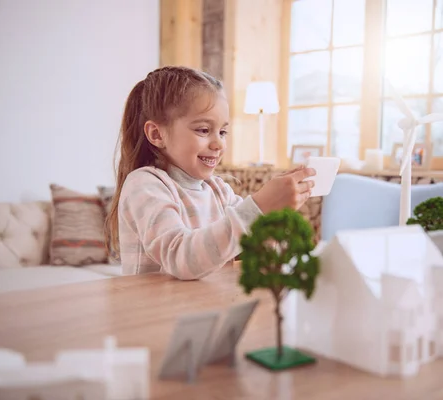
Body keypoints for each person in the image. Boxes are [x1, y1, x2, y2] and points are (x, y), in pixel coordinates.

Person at [105, 66, 316, 280]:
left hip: (207, 306)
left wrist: (273, 218)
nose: (219, 144)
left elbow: (256, 248)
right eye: (204, 130)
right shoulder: (144, 185)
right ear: (157, 134)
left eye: (223, 132)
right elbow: (182, 258)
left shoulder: (219, 191)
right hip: (155, 312)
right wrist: (259, 207)